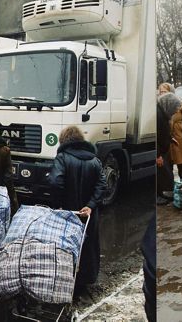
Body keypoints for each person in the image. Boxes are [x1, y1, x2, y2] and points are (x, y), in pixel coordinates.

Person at [48, 125, 107, 294]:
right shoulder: (94, 160)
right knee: (89, 244)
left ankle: (67, 278)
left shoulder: (62, 158)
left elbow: (55, 181)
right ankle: (87, 279)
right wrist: (90, 205)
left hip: (68, 212)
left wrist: (58, 204)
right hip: (88, 213)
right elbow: (102, 184)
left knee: (67, 245)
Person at [156, 88, 181, 204]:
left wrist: (170, 138)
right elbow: (156, 137)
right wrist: (157, 155)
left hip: (162, 149)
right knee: (159, 174)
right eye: (175, 108)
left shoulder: (162, 113)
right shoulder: (158, 115)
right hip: (159, 152)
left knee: (163, 174)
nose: (176, 111)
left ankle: (161, 193)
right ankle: (157, 196)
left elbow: (163, 132)